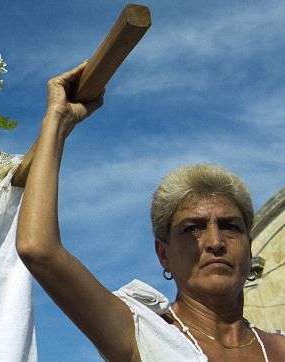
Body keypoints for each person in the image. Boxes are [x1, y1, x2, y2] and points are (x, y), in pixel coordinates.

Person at [15, 61, 285, 361]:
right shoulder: (144, 335)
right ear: (163, 254)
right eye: (193, 228)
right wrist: (57, 120)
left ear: (249, 248)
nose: (215, 242)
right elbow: (38, 249)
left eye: (230, 226)